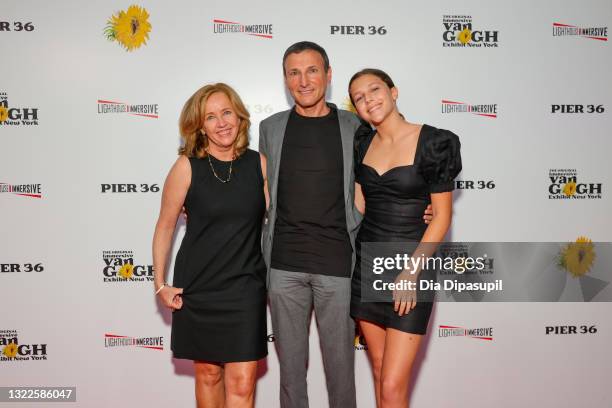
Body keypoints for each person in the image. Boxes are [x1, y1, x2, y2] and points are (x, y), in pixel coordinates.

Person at [258, 42, 433, 408]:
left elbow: (388, 169)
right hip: (283, 266)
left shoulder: (356, 126)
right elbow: (261, 189)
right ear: (285, 79)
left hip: (339, 264)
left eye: (312, 70)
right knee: (290, 372)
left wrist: (422, 204)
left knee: (341, 373)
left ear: (328, 75)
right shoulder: (270, 128)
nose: (303, 81)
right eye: (294, 72)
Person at [349, 68, 462, 408]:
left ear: (394, 92)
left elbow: (441, 216)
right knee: (381, 373)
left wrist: (411, 273)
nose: (368, 100)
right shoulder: (362, 143)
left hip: (412, 267)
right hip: (368, 265)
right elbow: (359, 204)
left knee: (395, 383)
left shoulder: (434, 142)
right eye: (359, 97)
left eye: (375, 89)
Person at [152, 83, 268, 408]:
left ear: (240, 115)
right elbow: (164, 227)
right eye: (211, 117)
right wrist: (160, 283)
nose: (221, 123)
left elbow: (283, 218)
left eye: (226, 112)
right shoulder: (187, 167)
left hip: (246, 286)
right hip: (199, 286)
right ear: (200, 127)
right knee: (208, 376)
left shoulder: (259, 164)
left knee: (243, 383)